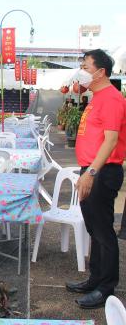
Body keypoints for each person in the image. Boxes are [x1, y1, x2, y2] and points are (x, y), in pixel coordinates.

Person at [65, 49, 126, 309]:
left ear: (101, 72)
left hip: (101, 171)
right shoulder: (96, 97)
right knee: (93, 229)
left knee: (103, 231)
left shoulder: (111, 98)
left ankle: (106, 288)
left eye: (86, 67)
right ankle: (95, 278)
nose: (82, 71)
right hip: (91, 169)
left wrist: (91, 173)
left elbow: (111, 141)